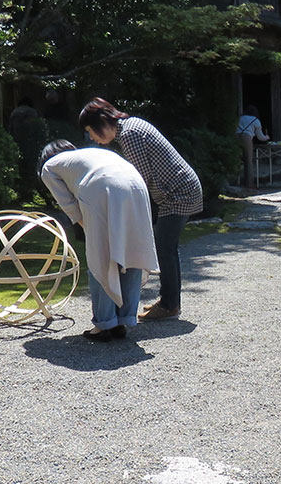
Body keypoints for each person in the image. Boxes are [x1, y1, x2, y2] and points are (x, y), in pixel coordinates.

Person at [78, 98, 202, 320]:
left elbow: (138, 180)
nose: (94, 138)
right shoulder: (131, 125)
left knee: (165, 249)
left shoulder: (129, 135)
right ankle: (169, 301)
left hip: (179, 193)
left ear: (102, 122)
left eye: (92, 131)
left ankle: (170, 305)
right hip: (181, 190)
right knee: (166, 247)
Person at [39, 140, 158, 342]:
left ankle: (104, 324)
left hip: (102, 186)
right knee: (131, 252)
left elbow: (68, 205)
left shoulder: (48, 167)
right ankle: (124, 320)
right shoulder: (88, 154)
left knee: (101, 257)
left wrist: (88, 228)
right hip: (135, 184)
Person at [236, 104, 269, 188]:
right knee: (248, 161)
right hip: (246, 138)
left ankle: (236, 181)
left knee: (237, 161)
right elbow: (260, 137)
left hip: (236, 137)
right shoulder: (255, 120)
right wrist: (267, 137)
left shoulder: (240, 118)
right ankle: (249, 184)